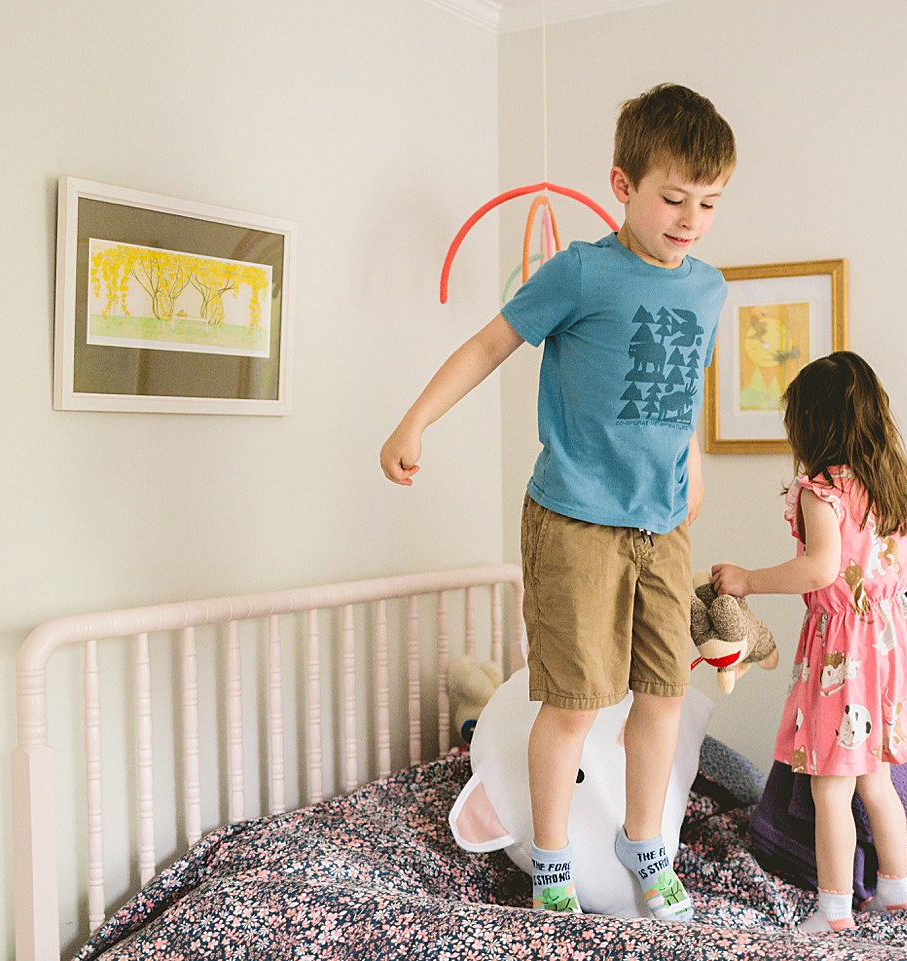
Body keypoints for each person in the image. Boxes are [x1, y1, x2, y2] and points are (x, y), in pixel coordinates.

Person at [381, 83, 735, 920]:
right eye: (672, 198)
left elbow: (681, 397)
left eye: (709, 203)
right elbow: (490, 343)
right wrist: (414, 421)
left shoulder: (709, 288)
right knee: (575, 701)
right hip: (576, 520)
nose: (689, 218)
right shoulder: (580, 271)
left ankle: (644, 844)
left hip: (662, 526)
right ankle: (551, 863)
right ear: (623, 184)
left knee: (662, 695)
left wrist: (695, 466)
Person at [711, 351, 907, 933]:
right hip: (898, 646)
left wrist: (747, 581)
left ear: (812, 426)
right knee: (877, 781)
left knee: (831, 790)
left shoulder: (822, 492)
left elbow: (819, 571)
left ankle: (834, 909)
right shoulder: (895, 487)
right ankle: (895, 889)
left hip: (847, 652)